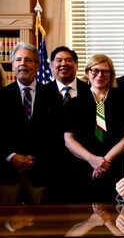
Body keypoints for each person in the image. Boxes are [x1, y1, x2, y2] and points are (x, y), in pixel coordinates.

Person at [0, 42, 64, 205]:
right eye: (18, 60)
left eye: (28, 60)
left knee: (41, 227)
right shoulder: (1, 97)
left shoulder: (54, 97)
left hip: (41, 173)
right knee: (7, 227)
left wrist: (33, 159)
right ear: (13, 66)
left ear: (37, 65)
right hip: (7, 174)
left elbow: (57, 136)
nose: (22, 64)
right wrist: (11, 156)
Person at [64, 54, 124, 203]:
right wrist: (93, 160)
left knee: (116, 217)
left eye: (105, 71)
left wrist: (105, 161)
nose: (99, 75)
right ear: (88, 73)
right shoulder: (75, 102)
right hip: (83, 168)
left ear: (111, 74)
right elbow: (68, 139)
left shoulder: (123, 99)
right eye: (95, 70)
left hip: (116, 167)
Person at [46, 46, 91, 203]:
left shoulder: (90, 92)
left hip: (84, 165)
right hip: (51, 167)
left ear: (76, 65)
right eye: (58, 60)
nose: (63, 64)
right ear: (51, 65)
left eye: (68, 60)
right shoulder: (42, 93)